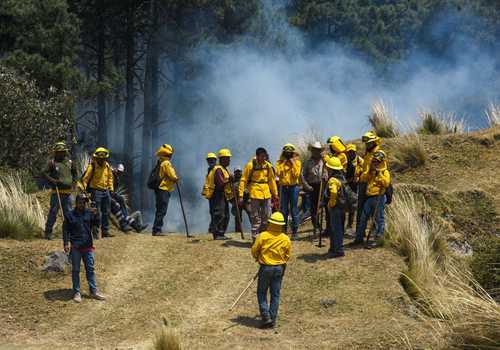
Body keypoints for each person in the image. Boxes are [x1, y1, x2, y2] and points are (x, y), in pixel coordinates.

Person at [251, 211, 291, 329]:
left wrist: (257, 258)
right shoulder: (285, 239)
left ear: (270, 223)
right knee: (275, 294)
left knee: (261, 292)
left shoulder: (263, 236)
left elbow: (254, 250)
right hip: (279, 268)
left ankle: (265, 316)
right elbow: (288, 255)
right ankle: (272, 319)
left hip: (266, 268)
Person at [63, 193, 106, 303]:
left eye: (84, 202)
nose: (82, 204)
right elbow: (65, 230)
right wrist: (66, 243)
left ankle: (93, 291)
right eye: (80, 202)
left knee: (90, 269)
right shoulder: (69, 215)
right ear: (76, 203)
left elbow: (97, 224)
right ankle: (77, 292)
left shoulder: (89, 213)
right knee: (76, 270)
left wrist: (97, 214)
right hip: (76, 246)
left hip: (88, 246)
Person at [239, 147, 279, 241]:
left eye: (265, 156)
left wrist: (275, 194)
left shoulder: (268, 166)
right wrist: (240, 195)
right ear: (257, 156)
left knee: (267, 216)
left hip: (266, 193)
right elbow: (243, 180)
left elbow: (271, 180)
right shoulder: (250, 165)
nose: (264, 158)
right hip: (255, 193)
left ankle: (264, 237)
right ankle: (255, 239)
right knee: (256, 217)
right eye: (262, 156)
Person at [354, 150, 391, 246]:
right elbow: (363, 178)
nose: (375, 163)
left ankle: (378, 239)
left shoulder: (385, 172)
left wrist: (379, 174)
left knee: (379, 219)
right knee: (363, 217)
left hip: (379, 197)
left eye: (377, 162)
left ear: (381, 162)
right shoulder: (371, 170)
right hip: (369, 198)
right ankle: (359, 238)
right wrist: (370, 171)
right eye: (373, 161)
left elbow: (386, 183)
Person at [43, 142, 76, 240]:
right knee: (53, 212)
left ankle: (69, 234)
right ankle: (48, 232)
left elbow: (75, 173)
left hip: (68, 193)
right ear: (55, 153)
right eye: (58, 152)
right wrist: (53, 181)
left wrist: (74, 183)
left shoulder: (70, 162)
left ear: (65, 152)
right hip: (56, 192)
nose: (60, 154)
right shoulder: (52, 163)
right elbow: (44, 173)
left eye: (62, 152)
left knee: (69, 214)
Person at [324, 157, 356, 258]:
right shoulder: (341, 178)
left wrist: (331, 203)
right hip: (342, 207)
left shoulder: (333, 180)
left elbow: (333, 192)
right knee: (339, 229)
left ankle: (337, 250)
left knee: (335, 229)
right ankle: (335, 248)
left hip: (336, 208)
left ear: (331, 169)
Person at [82, 147, 114, 238]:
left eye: (103, 158)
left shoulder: (107, 166)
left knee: (106, 212)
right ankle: (95, 232)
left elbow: (110, 178)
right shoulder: (92, 166)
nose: (102, 159)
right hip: (95, 191)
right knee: (96, 212)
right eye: (100, 158)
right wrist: (84, 191)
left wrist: (111, 189)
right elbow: (85, 179)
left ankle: (105, 232)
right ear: (96, 158)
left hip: (106, 191)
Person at [205, 148, 234, 240]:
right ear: (222, 159)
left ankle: (221, 233)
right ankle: (217, 234)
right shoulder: (218, 169)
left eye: (229, 158)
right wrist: (229, 180)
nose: (229, 160)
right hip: (217, 195)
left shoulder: (224, 169)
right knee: (219, 214)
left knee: (226, 215)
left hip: (223, 195)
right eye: (227, 158)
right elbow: (220, 184)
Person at [276, 144, 302, 240]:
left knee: (294, 209)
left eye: (289, 153)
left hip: (294, 187)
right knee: (283, 210)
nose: (288, 154)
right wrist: (284, 163)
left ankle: (295, 232)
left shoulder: (297, 162)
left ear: (292, 153)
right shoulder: (279, 162)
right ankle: (284, 230)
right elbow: (278, 173)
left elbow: (296, 174)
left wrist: (292, 163)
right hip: (283, 187)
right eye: (286, 152)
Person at [152, 144, 178, 236]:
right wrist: (176, 178)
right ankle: (157, 230)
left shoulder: (160, 162)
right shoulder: (166, 163)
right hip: (163, 189)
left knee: (159, 209)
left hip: (159, 189)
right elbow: (172, 175)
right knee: (162, 210)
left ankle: (156, 229)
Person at [301, 141, 325, 234]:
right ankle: (316, 225)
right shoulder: (307, 163)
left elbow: (327, 170)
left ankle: (326, 227)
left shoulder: (324, 161)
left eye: (318, 150)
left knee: (324, 205)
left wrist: (326, 176)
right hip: (312, 186)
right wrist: (307, 186)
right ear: (312, 151)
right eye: (315, 150)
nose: (316, 152)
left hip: (322, 185)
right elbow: (302, 175)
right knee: (314, 207)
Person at [345, 144, 363, 232]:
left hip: (356, 185)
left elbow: (365, 172)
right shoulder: (345, 160)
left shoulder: (360, 161)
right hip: (346, 184)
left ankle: (350, 224)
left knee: (353, 205)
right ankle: (344, 224)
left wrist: (360, 177)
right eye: (349, 152)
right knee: (345, 204)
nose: (351, 153)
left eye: (352, 151)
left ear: (355, 152)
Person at [202, 152, 218, 235]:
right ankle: (212, 228)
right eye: (209, 160)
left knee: (217, 212)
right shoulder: (209, 170)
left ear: (215, 160)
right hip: (211, 194)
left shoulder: (217, 169)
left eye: (212, 160)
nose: (210, 161)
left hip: (217, 194)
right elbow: (208, 182)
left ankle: (215, 229)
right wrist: (205, 191)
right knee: (212, 211)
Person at [232, 167, 251, 233]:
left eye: (239, 172)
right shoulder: (232, 181)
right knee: (238, 216)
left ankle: (254, 229)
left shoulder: (244, 180)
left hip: (246, 200)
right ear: (234, 173)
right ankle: (238, 231)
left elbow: (249, 189)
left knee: (250, 213)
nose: (238, 173)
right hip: (237, 201)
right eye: (236, 172)